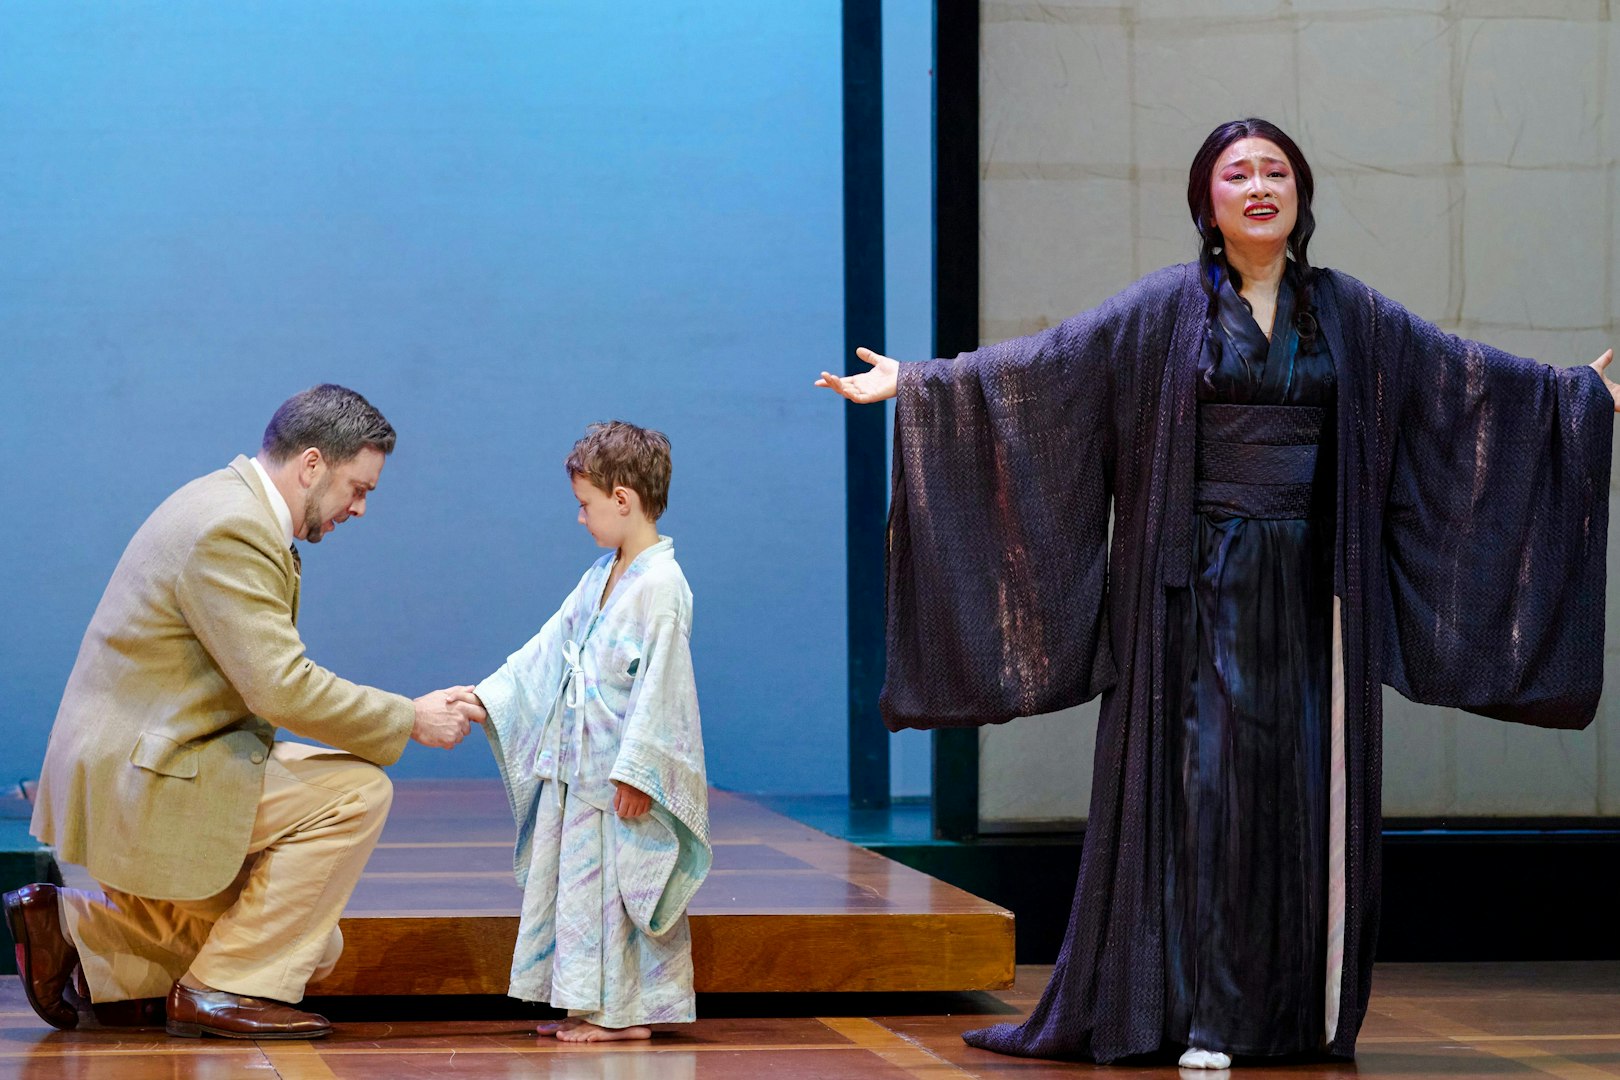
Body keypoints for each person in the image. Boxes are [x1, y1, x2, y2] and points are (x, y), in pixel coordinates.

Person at [818, 118, 1617, 1067]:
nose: (1259, 187)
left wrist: (1575, 399)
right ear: (1208, 200)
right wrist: (919, 383)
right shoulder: (1166, 309)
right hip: (1192, 590)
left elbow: (1460, 380)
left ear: (1300, 193)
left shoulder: (1349, 313)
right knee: (1206, 795)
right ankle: (1196, 1013)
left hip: (1314, 594)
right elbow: (1049, 367)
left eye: (1276, 171)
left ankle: (1287, 1017)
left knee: (1298, 796)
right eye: (1237, 174)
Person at [6, 384, 486, 1040]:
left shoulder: (221, 501)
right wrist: (410, 718)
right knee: (356, 792)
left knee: (312, 946)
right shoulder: (232, 527)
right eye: (359, 487)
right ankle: (218, 989)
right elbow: (280, 689)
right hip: (145, 783)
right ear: (312, 464)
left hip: (144, 770)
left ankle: (80, 936)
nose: (361, 507)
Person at [472, 421, 708, 1043]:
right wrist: (485, 698)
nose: (581, 519)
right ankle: (587, 1003)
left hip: (621, 776)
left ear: (623, 500)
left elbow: (667, 691)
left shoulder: (662, 586)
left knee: (621, 896)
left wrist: (643, 773)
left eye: (586, 505)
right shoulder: (602, 575)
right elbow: (549, 650)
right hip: (579, 771)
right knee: (582, 893)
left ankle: (627, 1015)